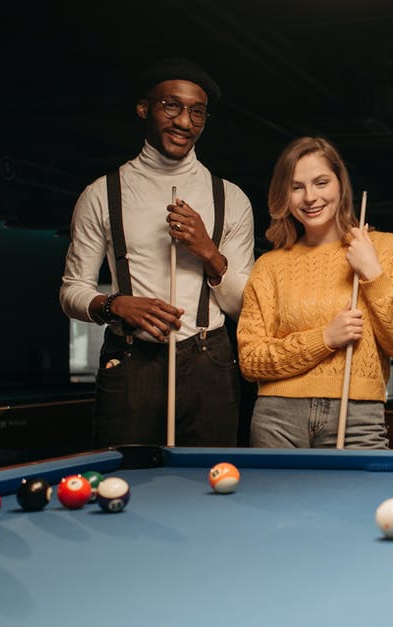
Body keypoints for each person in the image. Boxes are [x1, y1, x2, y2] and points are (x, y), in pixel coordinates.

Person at [60, 57, 255, 447]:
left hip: (209, 361)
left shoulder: (230, 198)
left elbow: (242, 306)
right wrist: (114, 304)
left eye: (196, 112)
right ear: (143, 107)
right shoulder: (102, 194)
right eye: (171, 106)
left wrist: (208, 252)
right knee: (125, 481)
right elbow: (71, 291)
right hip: (131, 362)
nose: (184, 122)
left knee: (210, 483)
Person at [237, 137, 393, 448]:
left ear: (341, 184)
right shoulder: (269, 265)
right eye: (297, 187)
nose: (310, 197)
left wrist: (372, 274)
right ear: (285, 194)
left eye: (321, 182)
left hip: (358, 416)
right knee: (276, 500)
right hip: (278, 420)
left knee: (360, 499)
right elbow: (251, 361)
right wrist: (324, 339)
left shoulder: (388, 249)